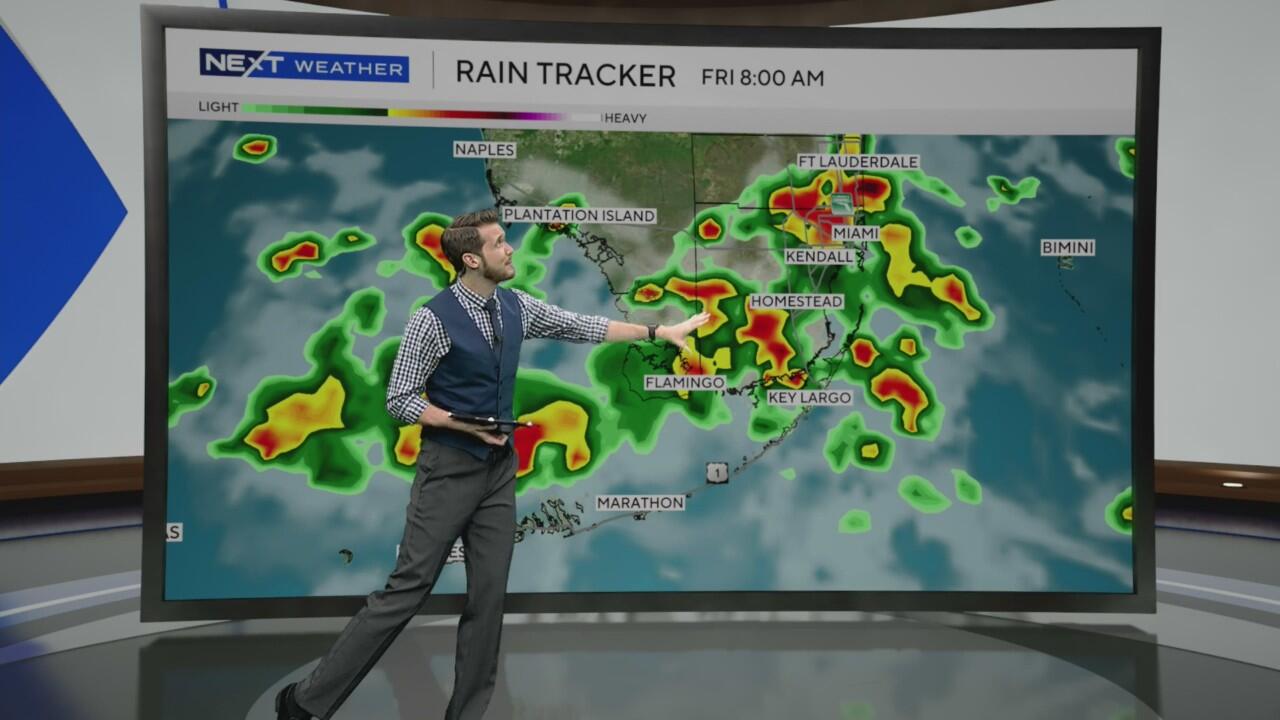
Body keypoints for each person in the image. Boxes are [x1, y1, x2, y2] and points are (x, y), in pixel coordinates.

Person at [276, 208, 709, 720]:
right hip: (449, 467)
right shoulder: (432, 319)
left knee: (488, 598)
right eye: (499, 242)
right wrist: (459, 424)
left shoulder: (515, 307)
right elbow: (399, 398)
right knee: (407, 590)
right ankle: (305, 704)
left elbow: (582, 326)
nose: (509, 248)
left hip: (498, 470)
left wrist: (658, 333)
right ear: (471, 259)